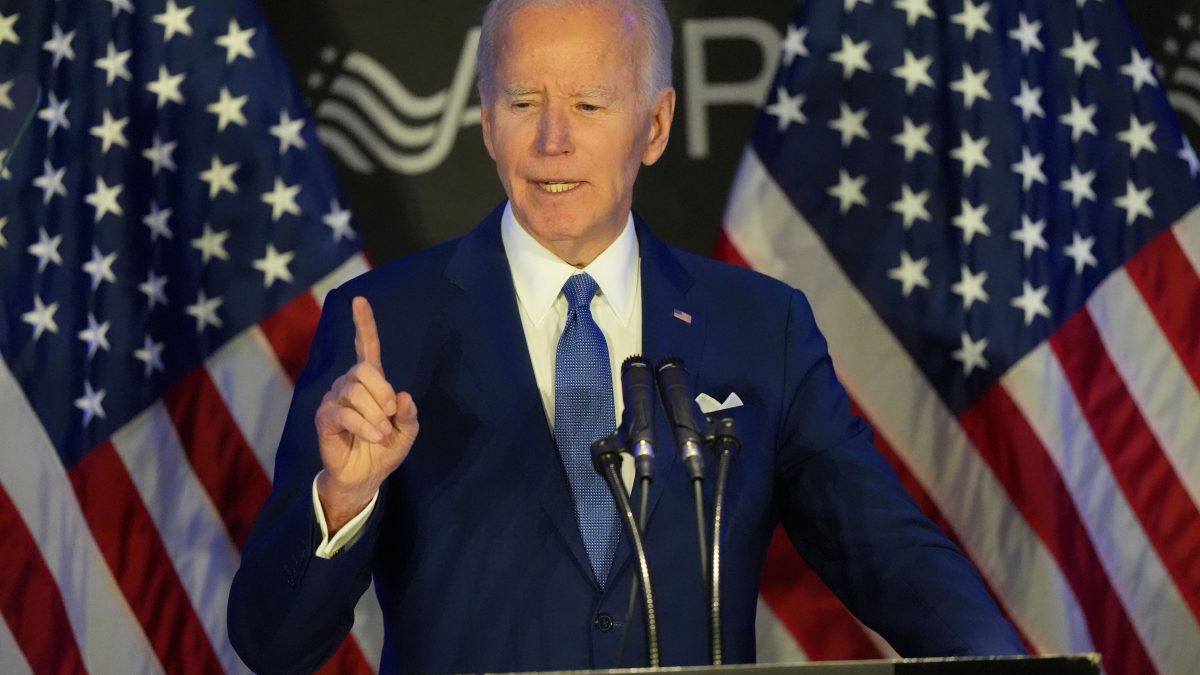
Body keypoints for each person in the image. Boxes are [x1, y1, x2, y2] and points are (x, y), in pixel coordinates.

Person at [227, 0, 1024, 672]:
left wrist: (1009, 665)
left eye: (588, 104)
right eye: (523, 102)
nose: (551, 143)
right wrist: (344, 498)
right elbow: (272, 643)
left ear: (655, 124)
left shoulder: (759, 327)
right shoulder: (383, 325)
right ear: (486, 124)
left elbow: (884, 550)